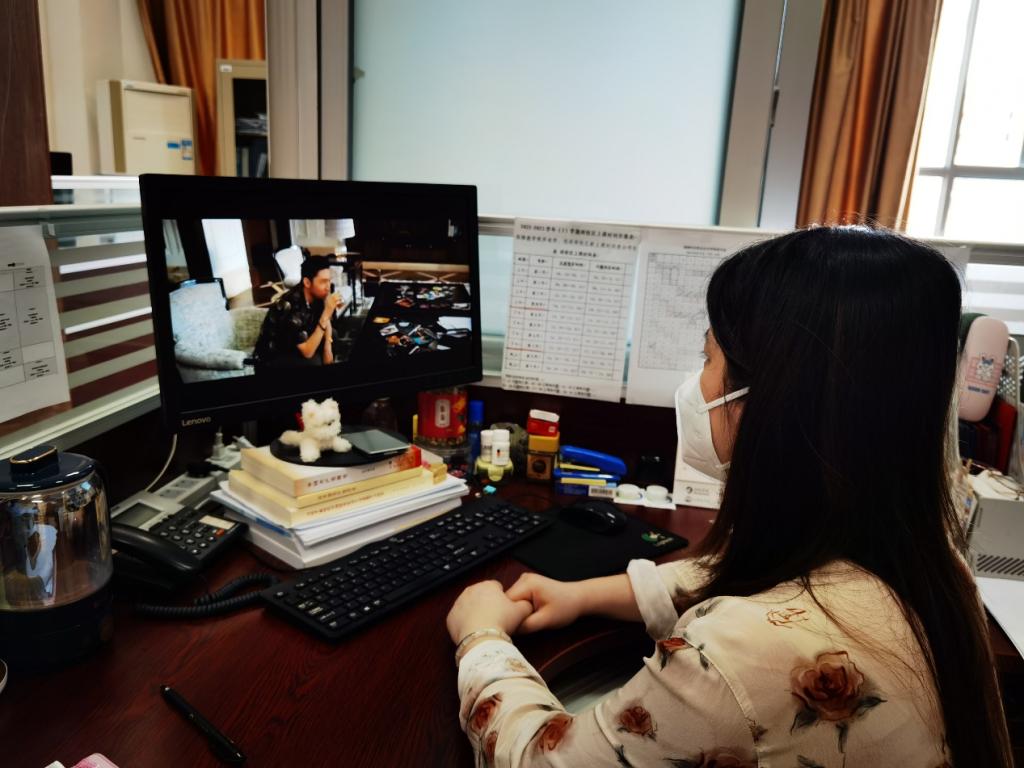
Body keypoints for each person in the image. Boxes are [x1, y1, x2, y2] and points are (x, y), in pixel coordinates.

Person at [447, 226, 1013, 767]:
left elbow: (539, 761)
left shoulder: (738, 655)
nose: (697, 384)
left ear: (773, 403)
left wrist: (481, 636)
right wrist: (586, 595)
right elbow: (751, 576)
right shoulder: (927, 560)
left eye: (708, 360)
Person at [254, 254, 341, 367]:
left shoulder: (318, 294)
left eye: (329, 281)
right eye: (323, 282)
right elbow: (308, 352)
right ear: (307, 282)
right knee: (314, 361)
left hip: (296, 343)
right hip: (273, 356)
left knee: (333, 335)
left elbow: (326, 322)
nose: (328, 287)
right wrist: (326, 313)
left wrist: (327, 347)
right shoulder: (291, 307)